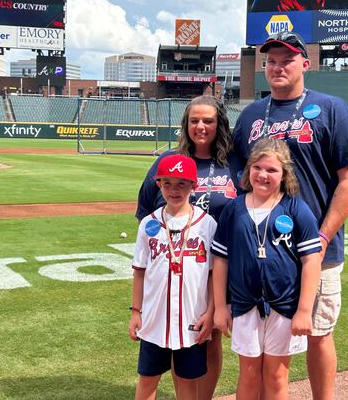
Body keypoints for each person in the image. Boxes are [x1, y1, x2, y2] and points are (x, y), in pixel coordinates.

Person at [232, 30, 348, 400]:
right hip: (263, 248)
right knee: (262, 338)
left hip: (316, 247)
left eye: (287, 60)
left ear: (305, 64)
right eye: (271, 61)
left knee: (318, 331)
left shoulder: (331, 108)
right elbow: (238, 178)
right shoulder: (251, 115)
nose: (277, 67)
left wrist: (323, 236)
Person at [136, 95, 241, 399]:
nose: (201, 126)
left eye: (208, 120)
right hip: (175, 267)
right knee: (168, 335)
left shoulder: (233, 163)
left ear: (219, 123)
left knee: (210, 336)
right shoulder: (166, 162)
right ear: (186, 124)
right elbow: (146, 213)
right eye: (194, 120)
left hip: (221, 266)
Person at [212, 138, 322, 400]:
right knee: (249, 375)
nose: (263, 175)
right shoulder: (234, 209)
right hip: (244, 304)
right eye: (257, 168)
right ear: (249, 169)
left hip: (284, 305)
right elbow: (220, 260)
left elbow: (311, 260)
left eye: (272, 170)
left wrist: (305, 311)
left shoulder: (296, 209)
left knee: (276, 376)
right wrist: (219, 306)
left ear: (284, 174)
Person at [129, 154, 217, 400]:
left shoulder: (207, 224)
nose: (174, 190)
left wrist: (210, 313)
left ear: (194, 185)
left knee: (188, 383)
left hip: (192, 319)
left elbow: (212, 275)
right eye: (167, 183)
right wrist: (136, 312)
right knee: (147, 379)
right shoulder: (149, 224)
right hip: (154, 319)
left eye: (181, 183)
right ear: (158, 184)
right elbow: (139, 271)